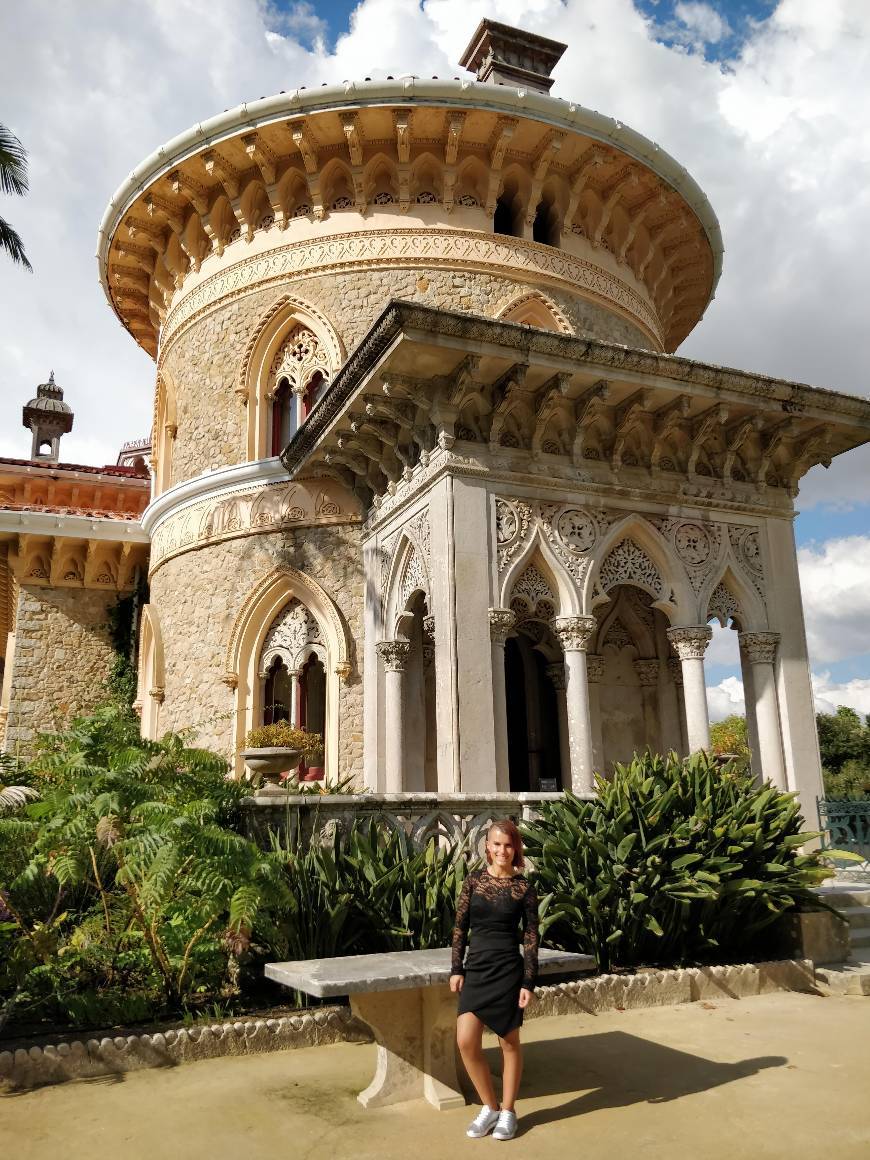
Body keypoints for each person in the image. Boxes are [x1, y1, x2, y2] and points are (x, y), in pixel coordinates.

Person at [450, 818, 539, 1141]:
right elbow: (460, 927)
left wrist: (528, 982)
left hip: (508, 971)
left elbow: (531, 937)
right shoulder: (473, 882)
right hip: (477, 969)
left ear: (516, 848)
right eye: (497, 844)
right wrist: (456, 969)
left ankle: (509, 1111)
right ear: (487, 846)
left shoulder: (524, 888)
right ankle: (490, 1107)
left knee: (509, 1043)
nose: (503, 850)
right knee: (465, 1041)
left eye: (508, 844)